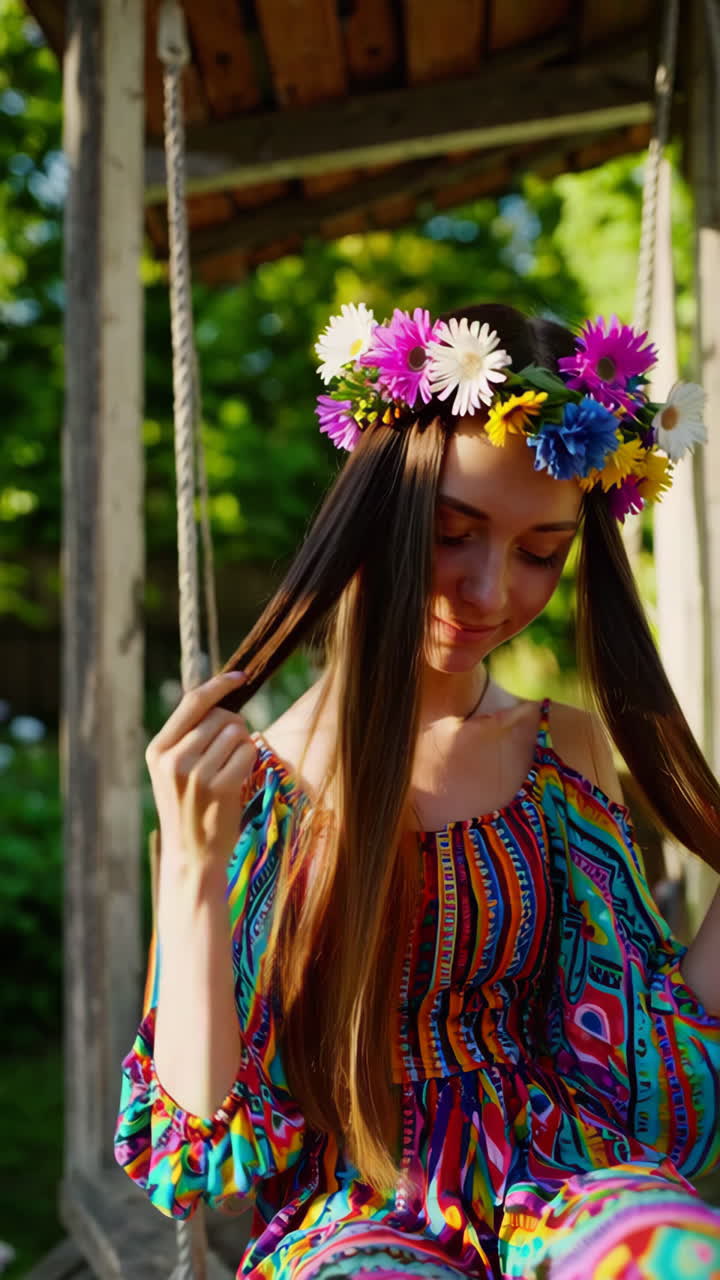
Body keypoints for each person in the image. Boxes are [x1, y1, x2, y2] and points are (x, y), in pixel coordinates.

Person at [114, 303, 720, 1279]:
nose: (491, 592)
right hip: (352, 1211)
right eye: (450, 534)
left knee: (676, 1254)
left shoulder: (563, 751)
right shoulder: (260, 785)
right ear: (376, 515)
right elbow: (197, 1150)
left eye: (540, 553)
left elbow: (639, 1066)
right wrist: (190, 864)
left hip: (560, 1179)